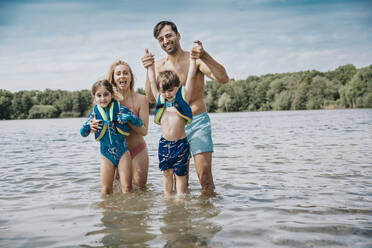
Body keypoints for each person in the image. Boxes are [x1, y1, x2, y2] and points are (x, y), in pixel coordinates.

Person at [142, 20, 229, 195]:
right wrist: (148, 69)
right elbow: (152, 98)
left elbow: (223, 78)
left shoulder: (194, 60)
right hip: (173, 130)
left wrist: (204, 55)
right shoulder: (159, 66)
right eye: (161, 39)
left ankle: (208, 219)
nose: (165, 41)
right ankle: (182, 220)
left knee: (204, 177)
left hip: (197, 123)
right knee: (180, 182)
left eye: (168, 35)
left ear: (178, 35)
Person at [144, 48, 197, 196]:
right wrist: (150, 66)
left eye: (171, 90)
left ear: (177, 87)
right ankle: (167, 198)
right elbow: (153, 82)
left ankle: (180, 199)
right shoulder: (160, 100)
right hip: (164, 144)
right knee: (166, 173)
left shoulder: (182, 99)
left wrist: (193, 60)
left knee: (180, 175)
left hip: (180, 144)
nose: (168, 94)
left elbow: (191, 77)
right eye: (164, 91)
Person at [80, 80, 143, 195]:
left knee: (127, 188)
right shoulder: (94, 115)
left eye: (106, 94)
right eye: (99, 95)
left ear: (112, 95)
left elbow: (139, 122)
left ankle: (129, 211)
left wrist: (128, 117)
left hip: (123, 153)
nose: (103, 98)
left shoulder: (120, 109)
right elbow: (82, 133)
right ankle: (107, 211)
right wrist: (89, 126)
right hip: (106, 156)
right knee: (106, 190)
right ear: (94, 97)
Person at [106, 60, 150, 189]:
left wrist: (129, 119)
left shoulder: (142, 99)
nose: (122, 76)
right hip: (115, 152)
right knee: (114, 192)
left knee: (140, 191)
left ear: (131, 76)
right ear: (113, 79)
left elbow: (144, 131)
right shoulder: (108, 100)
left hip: (138, 151)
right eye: (118, 74)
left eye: (125, 73)